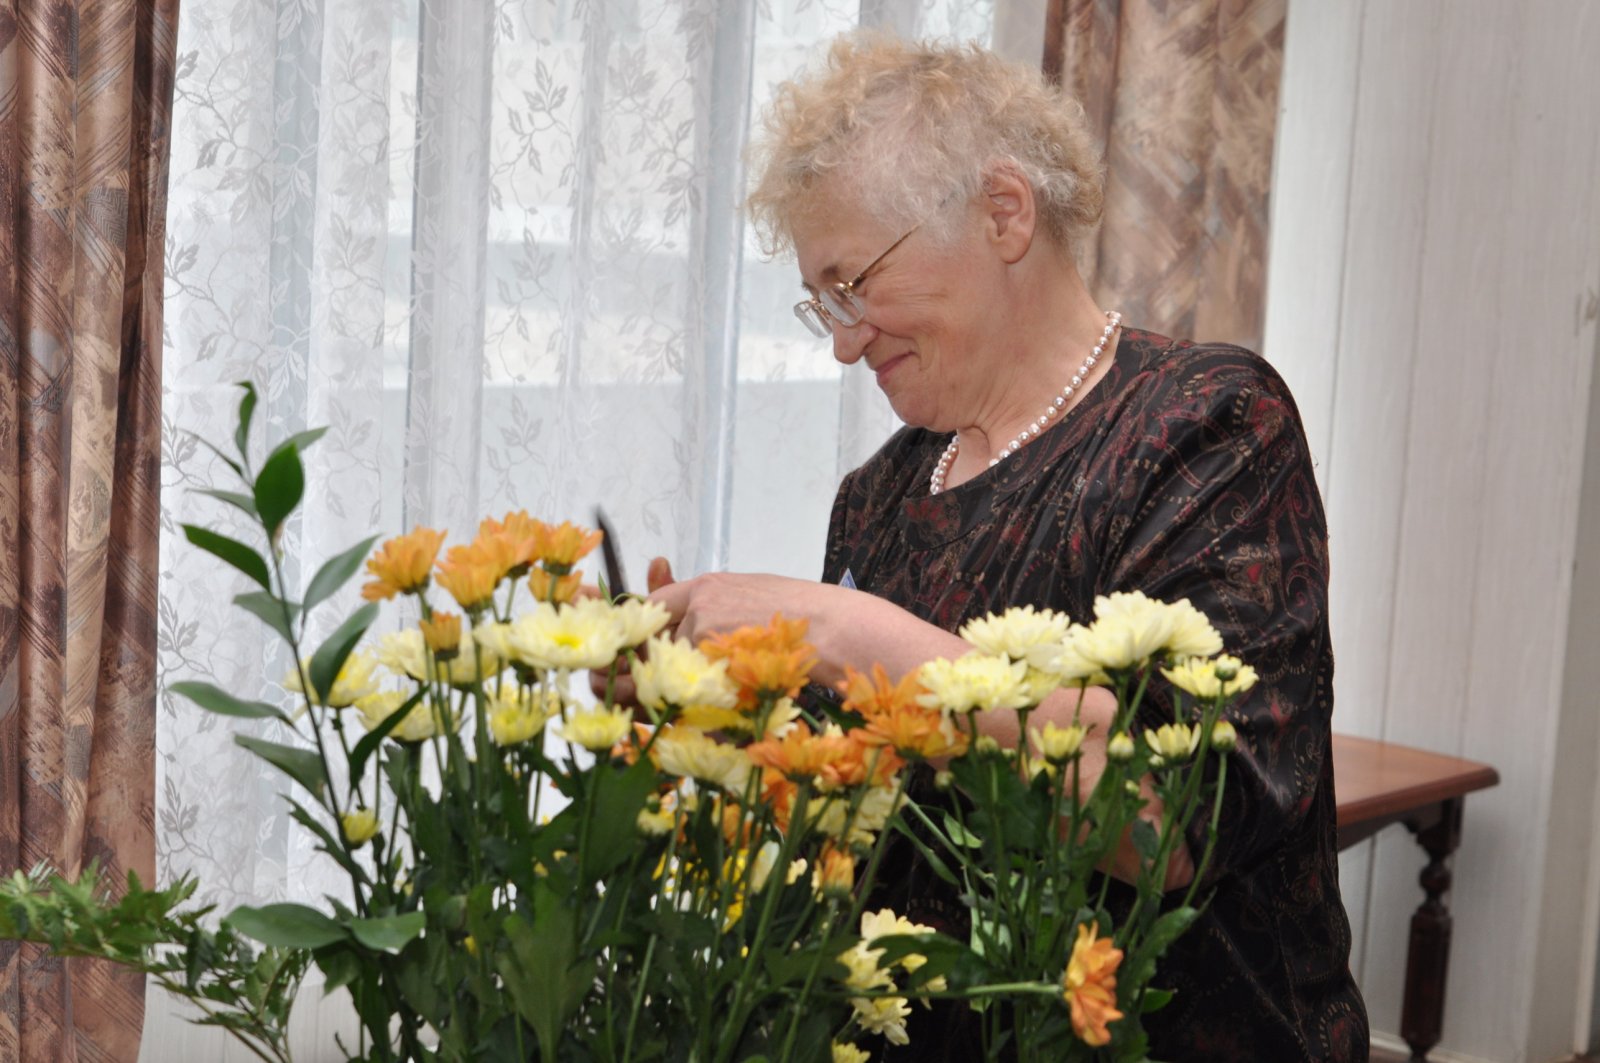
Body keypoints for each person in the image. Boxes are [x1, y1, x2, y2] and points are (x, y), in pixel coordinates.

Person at [640, 32, 1368, 1061]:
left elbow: (1175, 821)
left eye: (856, 284)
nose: (844, 341)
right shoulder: (878, 497)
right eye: (823, 304)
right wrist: (705, 706)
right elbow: (865, 805)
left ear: (1004, 213)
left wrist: (832, 626)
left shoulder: (1208, 427)